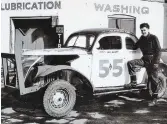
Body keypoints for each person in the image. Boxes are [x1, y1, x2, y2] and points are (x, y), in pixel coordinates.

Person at [125, 23, 161, 106]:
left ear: (148, 29)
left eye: (144, 30)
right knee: (131, 63)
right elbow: (135, 46)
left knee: (153, 79)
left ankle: (154, 99)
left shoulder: (153, 38)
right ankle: (133, 82)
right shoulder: (141, 38)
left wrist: (156, 62)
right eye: (141, 30)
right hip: (144, 60)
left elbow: (158, 50)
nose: (143, 32)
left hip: (152, 61)